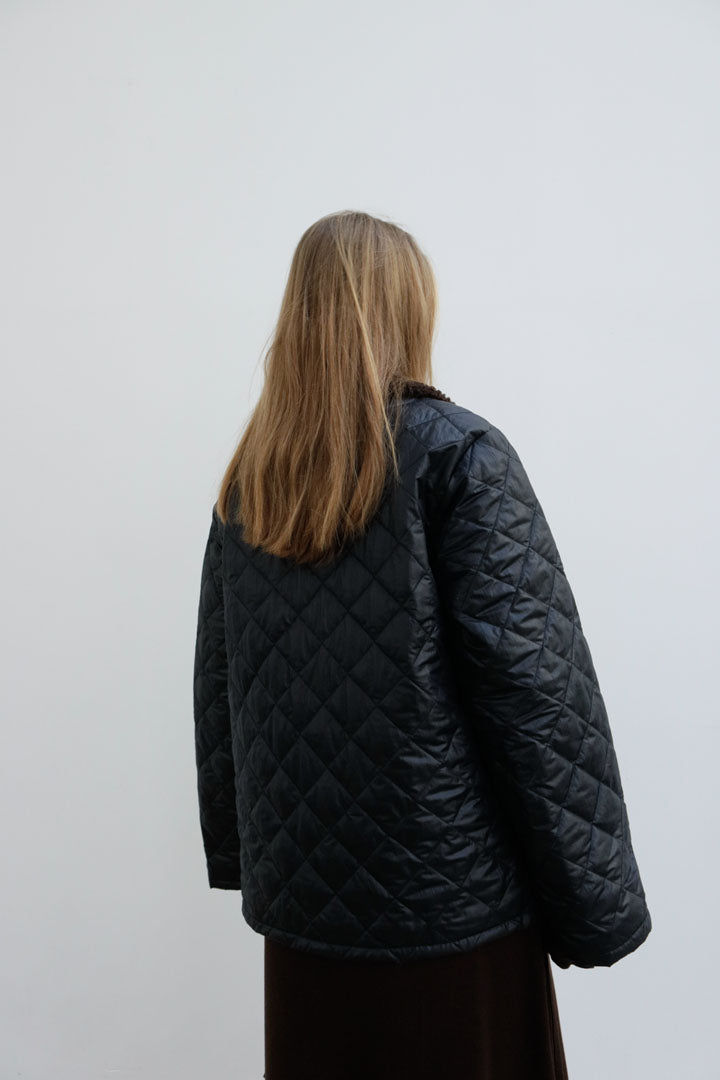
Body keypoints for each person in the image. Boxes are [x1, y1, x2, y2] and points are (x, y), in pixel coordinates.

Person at [192, 209, 652, 1079]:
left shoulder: (251, 481)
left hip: (307, 922)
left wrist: (243, 855)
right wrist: (599, 908)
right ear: (407, 311)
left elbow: (219, 691)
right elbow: (539, 698)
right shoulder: (460, 457)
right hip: (453, 926)